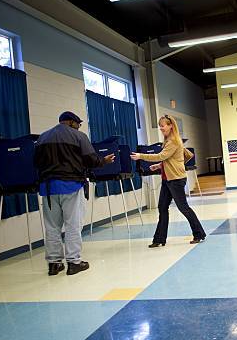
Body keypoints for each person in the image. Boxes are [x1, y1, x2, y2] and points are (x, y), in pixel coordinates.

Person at [34, 111, 114, 276]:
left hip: (48, 188)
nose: (79, 127)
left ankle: (54, 264)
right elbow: (91, 160)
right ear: (71, 122)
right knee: (73, 225)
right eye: (78, 124)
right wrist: (104, 161)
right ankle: (74, 262)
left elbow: (35, 162)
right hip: (71, 186)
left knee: (52, 227)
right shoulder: (79, 136)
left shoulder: (42, 137)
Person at [130, 114, 206, 248]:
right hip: (168, 179)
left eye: (162, 125)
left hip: (176, 180)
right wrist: (160, 166)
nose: (160, 128)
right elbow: (173, 158)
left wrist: (141, 156)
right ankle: (159, 239)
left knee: (183, 208)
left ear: (170, 126)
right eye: (159, 126)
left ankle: (199, 234)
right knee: (162, 207)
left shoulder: (174, 141)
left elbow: (161, 156)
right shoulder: (169, 140)